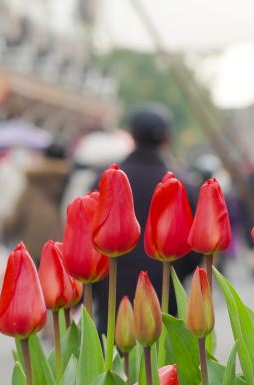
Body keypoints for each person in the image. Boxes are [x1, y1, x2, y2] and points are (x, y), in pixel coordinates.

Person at [93, 104, 199, 335]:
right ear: (167, 139)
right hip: (163, 291)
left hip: (112, 291)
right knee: (160, 366)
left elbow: (88, 234)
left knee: (112, 360)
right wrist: (175, 271)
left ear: (131, 135)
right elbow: (196, 246)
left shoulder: (107, 180)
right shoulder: (182, 185)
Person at [3, 144, 68, 261]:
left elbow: (18, 213)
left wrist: (5, 233)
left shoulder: (35, 181)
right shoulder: (69, 179)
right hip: (61, 245)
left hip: (33, 244)